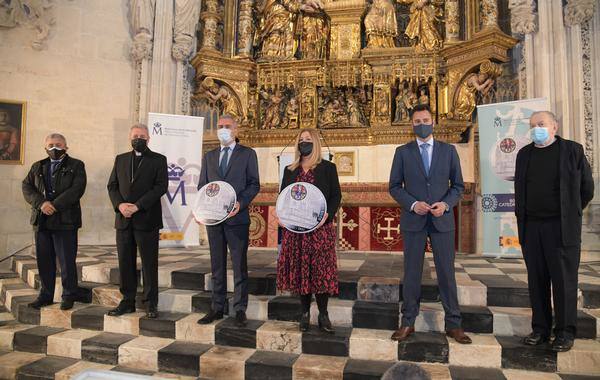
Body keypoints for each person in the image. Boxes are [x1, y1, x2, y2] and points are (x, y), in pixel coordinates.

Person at [388, 104, 470, 344]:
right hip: (414, 220)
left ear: (433, 122)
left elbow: (458, 186)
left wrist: (446, 205)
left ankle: (454, 324)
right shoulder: (402, 152)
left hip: (441, 219)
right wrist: (413, 204)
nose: (421, 124)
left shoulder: (448, 151)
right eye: (417, 121)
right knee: (412, 272)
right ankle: (408, 322)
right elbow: (394, 187)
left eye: (425, 120)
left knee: (446, 272)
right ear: (411, 125)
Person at [514, 111, 594, 352]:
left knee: (563, 281)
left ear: (554, 126)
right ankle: (540, 329)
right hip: (532, 228)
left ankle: (565, 332)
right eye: (532, 125)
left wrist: (568, 212)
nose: (536, 128)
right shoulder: (524, 154)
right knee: (536, 281)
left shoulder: (573, 151)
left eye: (541, 124)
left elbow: (586, 189)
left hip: (561, 228)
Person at [276, 128, 342, 333]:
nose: (304, 143)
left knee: (320, 271)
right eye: (301, 140)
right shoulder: (289, 170)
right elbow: (283, 197)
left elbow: (336, 196)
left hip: (319, 230)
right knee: (301, 270)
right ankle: (304, 313)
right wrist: (281, 216)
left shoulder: (328, 168)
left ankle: (323, 314)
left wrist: (327, 215)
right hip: (296, 230)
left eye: (308, 140)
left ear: (315, 143)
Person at [197, 115, 260, 327]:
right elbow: (203, 188)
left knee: (239, 264)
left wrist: (240, 204)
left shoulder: (248, 154)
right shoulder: (209, 156)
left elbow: (253, 184)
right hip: (214, 219)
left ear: (236, 129)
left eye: (227, 126)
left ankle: (240, 308)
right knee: (217, 264)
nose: (223, 129)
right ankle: (217, 306)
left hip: (237, 218)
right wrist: (200, 210)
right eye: (220, 126)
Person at [107, 124, 168, 319]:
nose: (138, 139)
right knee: (125, 262)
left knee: (149, 263)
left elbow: (161, 187)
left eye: (142, 136)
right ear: (129, 138)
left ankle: (151, 303)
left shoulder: (158, 160)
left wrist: (138, 206)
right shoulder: (121, 159)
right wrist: (120, 205)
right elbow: (112, 186)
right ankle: (127, 302)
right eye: (135, 136)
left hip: (147, 218)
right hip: (123, 219)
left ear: (148, 138)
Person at [22, 133, 88, 310]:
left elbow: (77, 189)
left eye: (58, 144)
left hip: (65, 220)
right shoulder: (38, 166)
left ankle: (69, 295)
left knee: (66, 260)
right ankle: (46, 295)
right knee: (44, 261)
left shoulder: (76, 165)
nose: (54, 148)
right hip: (42, 220)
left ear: (66, 147)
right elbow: (27, 187)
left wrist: (54, 205)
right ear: (45, 147)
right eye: (51, 144)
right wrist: (41, 203)